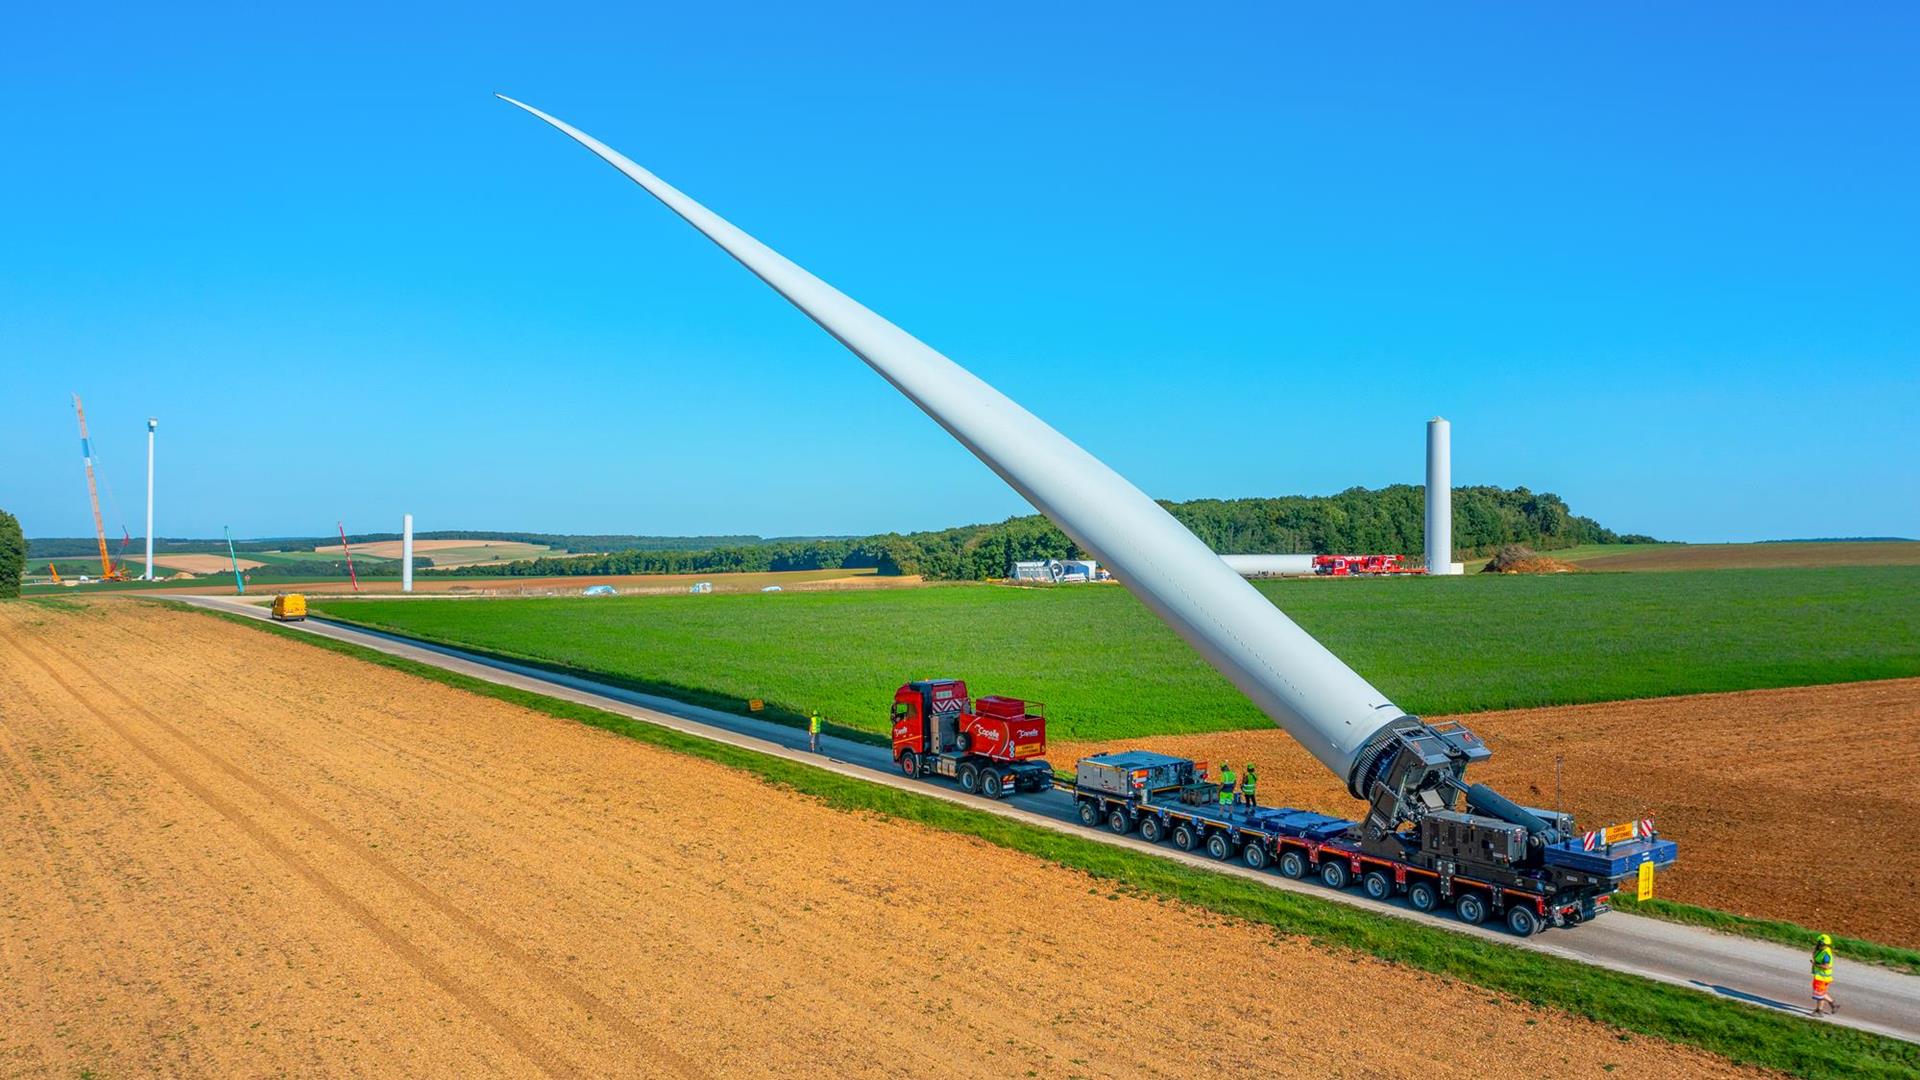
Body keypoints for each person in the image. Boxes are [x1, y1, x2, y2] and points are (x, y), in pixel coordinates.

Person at [1811, 933, 1837, 1015]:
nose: (1818, 945)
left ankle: (1819, 1010)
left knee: (1819, 995)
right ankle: (1833, 1004)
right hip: (1820, 977)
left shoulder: (1826, 954)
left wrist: (1815, 964)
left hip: (1822, 977)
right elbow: (1814, 954)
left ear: (1825, 945)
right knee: (1820, 993)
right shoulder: (1821, 950)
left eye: (1819, 943)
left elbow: (1826, 966)